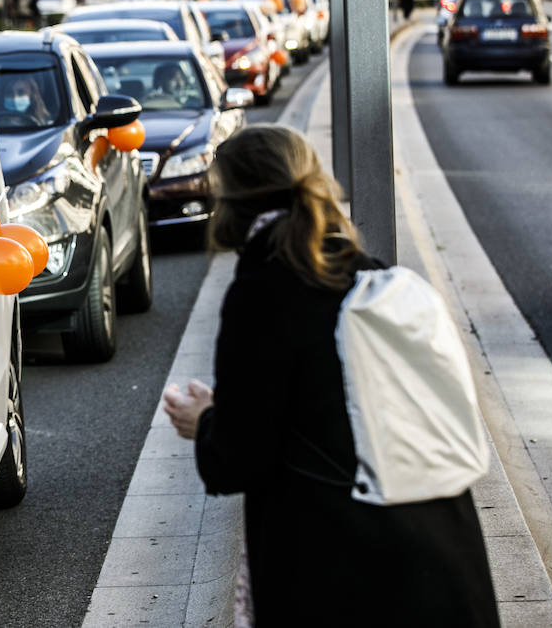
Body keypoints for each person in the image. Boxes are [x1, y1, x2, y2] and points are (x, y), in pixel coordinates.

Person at [161, 124, 498, 626]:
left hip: (342, 570)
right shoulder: (368, 274)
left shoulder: (262, 292)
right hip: (446, 559)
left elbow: (239, 460)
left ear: (230, 202)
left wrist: (206, 419)